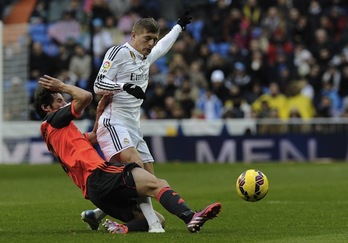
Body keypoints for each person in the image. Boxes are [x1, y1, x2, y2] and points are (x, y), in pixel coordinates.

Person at [33, 75, 221, 234]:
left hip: (95, 192)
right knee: (156, 183)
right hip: (99, 175)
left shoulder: (56, 133)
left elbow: (94, 137)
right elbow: (85, 96)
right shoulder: (53, 120)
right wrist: (62, 86)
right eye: (59, 100)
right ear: (46, 108)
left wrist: (99, 112)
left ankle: (121, 228)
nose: (64, 102)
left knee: (155, 220)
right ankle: (190, 217)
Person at [88, 10, 193, 232]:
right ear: (133, 35)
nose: (151, 43)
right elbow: (98, 85)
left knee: (148, 178)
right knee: (137, 171)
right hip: (114, 122)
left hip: (134, 127)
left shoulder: (147, 57)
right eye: (147, 38)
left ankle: (97, 214)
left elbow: (164, 46)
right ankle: (155, 225)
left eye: (153, 39)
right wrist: (124, 86)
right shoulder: (118, 53)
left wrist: (178, 27)